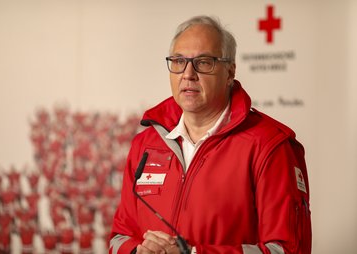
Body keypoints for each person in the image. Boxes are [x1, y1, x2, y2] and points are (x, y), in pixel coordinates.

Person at [109, 15, 311, 254]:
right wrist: (137, 251)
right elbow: (119, 236)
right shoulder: (145, 144)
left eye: (204, 62)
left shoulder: (269, 146)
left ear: (230, 72)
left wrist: (194, 253)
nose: (188, 73)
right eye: (178, 61)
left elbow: (287, 249)